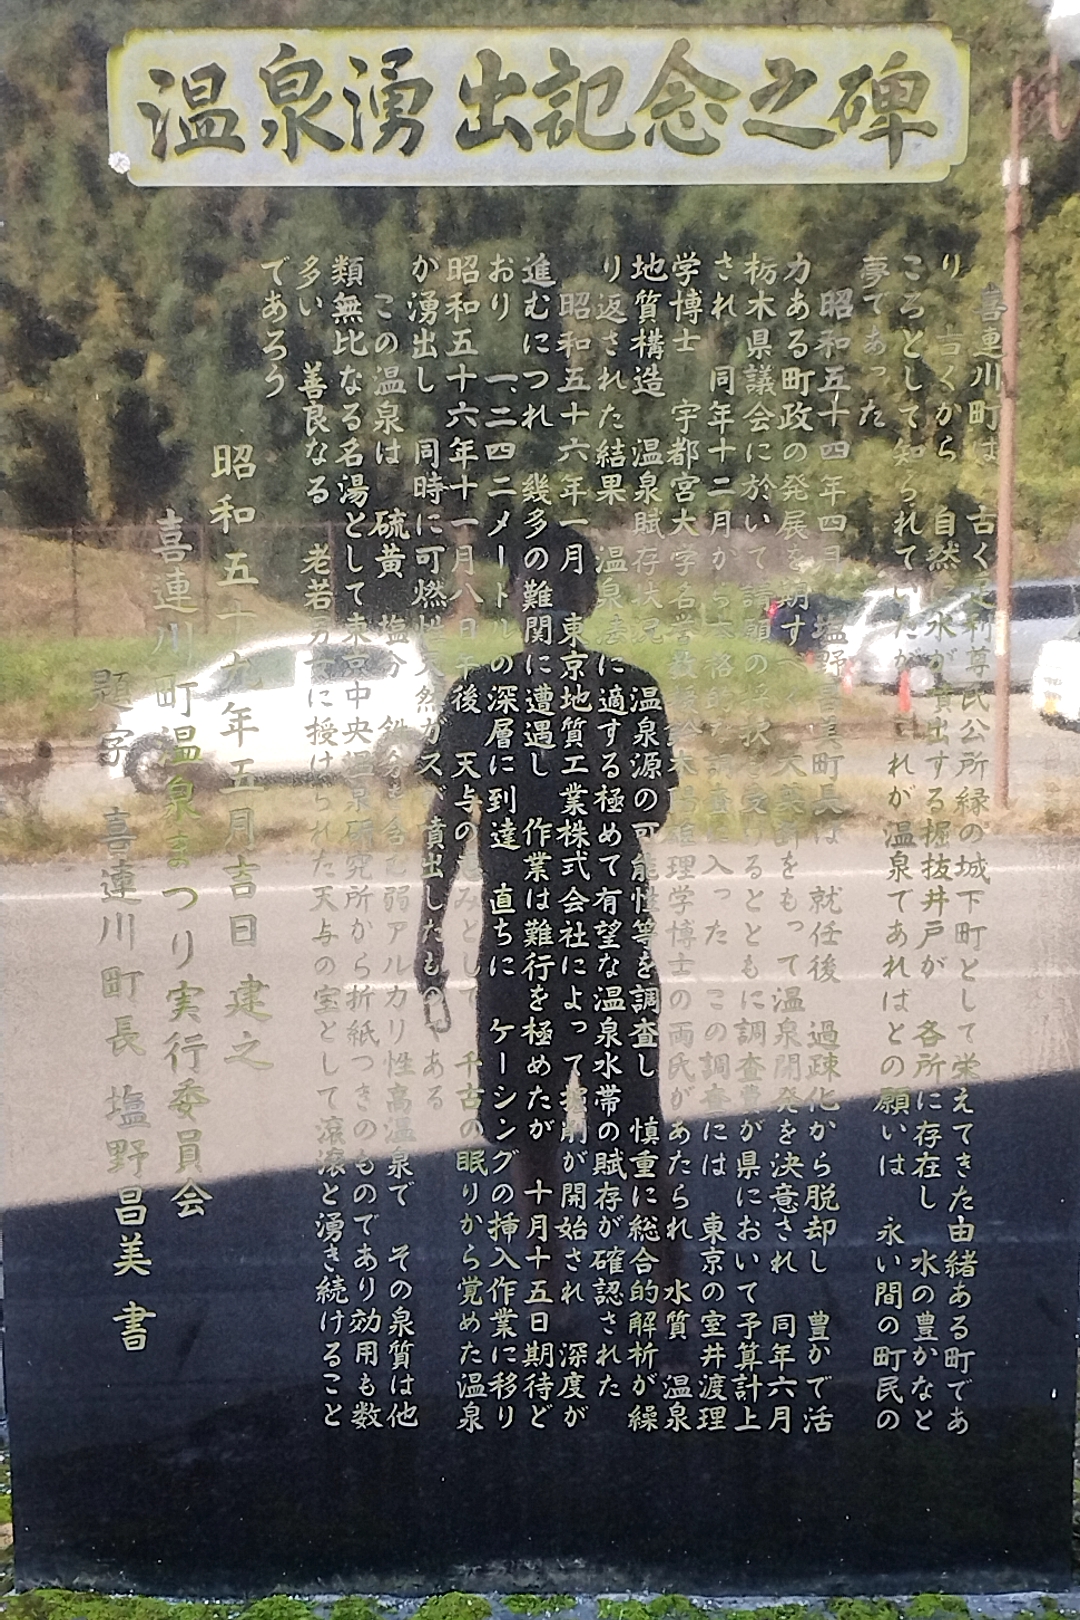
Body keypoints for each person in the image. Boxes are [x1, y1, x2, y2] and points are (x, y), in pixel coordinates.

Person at [414, 522, 678, 1184]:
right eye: (535, 586)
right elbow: (450, 815)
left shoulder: (628, 690)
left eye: (561, 588)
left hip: (604, 944)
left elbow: (653, 807)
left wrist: (601, 751)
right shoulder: (478, 694)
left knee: (631, 1137)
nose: (547, 602)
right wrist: (429, 929)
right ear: (513, 598)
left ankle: (657, 1252)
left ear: (587, 600)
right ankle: (550, 1252)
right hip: (523, 947)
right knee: (531, 1145)